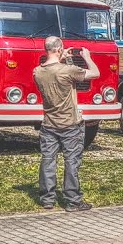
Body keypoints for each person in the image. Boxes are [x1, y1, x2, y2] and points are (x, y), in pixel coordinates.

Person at [33, 36, 100, 211]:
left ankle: (47, 198)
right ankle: (73, 200)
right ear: (59, 48)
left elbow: (54, 70)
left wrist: (61, 58)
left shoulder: (37, 72)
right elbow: (95, 73)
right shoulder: (68, 71)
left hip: (49, 123)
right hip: (70, 124)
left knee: (48, 160)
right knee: (71, 161)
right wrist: (87, 57)